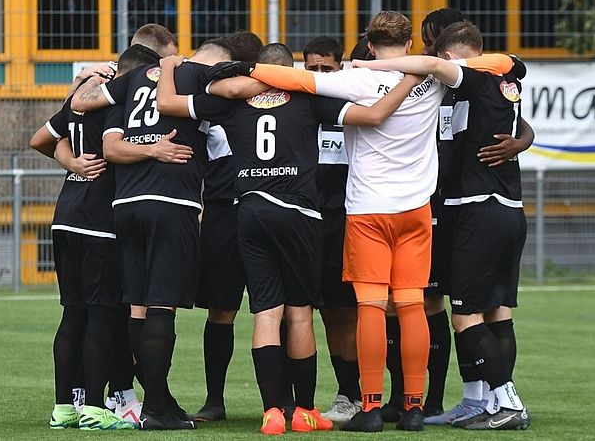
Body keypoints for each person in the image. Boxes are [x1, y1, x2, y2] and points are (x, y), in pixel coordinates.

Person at [210, 11, 515, 432]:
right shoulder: (438, 77)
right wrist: (419, 67)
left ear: (369, 45)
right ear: (409, 45)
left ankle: (370, 407)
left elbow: (294, 81)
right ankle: (413, 407)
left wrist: (246, 68)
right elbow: (503, 63)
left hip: (368, 208)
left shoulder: (352, 79)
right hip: (416, 209)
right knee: (411, 307)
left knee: (370, 307)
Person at [156, 41, 421, 435]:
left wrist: (167, 64)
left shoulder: (231, 101)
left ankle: (272, 413)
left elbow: (168, 104)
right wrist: (411, 81)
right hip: (298, 212)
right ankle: (304, 410)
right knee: (299, 313)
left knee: (266, 313)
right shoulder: (307, 94)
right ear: (290, 69)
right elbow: (374, 116)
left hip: (248, 209)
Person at [353, 20, 532, 431]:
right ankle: (479, 402)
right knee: (497, 310)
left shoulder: (469, 76)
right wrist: (524, 140)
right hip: (507, 206)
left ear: (451, 56)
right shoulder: (506, 78)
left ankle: (506, 400)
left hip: (474, 207)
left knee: (464, 314)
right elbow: (517, 98)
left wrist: (365, 68)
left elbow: (437, 66)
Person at [29, 40, 173, 430]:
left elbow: (39, 139)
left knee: (72, 312)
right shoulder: (114, 103)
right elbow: (114, 150)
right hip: (98, 221)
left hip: (65, 215)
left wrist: (70, 160)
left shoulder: (80, 97)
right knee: (103, 314)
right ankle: (95, 406)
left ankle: (65, 407)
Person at [99, 38, 233, 430]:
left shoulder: (131, 83)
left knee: (137, 306)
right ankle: (157, 408)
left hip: (126, 206)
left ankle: (159, 403)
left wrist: (145, 149)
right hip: (171, 204)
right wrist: (158, 150)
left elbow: (111, 148)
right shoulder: (197, 79)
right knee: (162, 305)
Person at [192, 30, 263, 423]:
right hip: (221, 211)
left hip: (259, 208)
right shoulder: (211, 104)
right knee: (221, 308)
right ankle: (214, 401)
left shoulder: (277, 101)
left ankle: (281, 400)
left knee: (275, 310)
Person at [299, 36, 363, 423]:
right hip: (308, 223)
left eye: (326, 68)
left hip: (347, 221)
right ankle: (342, 393)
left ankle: (358, 393)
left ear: (340, 68)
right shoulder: (300, 108)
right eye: (313, 69)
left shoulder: (354, 107)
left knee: (349, 314)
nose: (320, 75)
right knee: (321, 314)